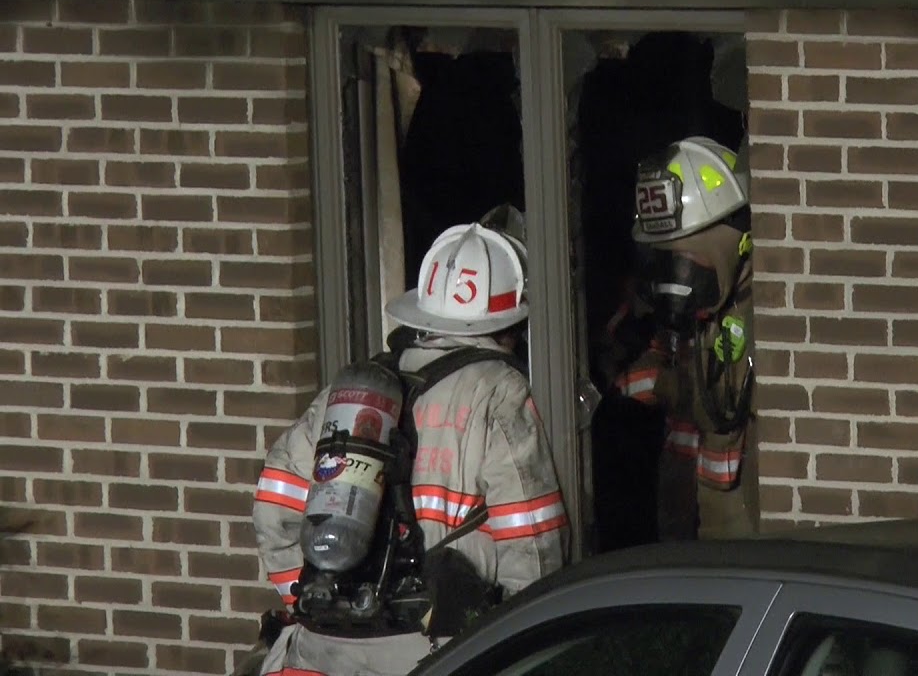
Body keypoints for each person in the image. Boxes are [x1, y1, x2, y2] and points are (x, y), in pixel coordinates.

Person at [251, 222, 569, 676]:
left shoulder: (355, 393)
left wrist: (316, 604)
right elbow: (534, 544)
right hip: (432, 652)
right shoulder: (499, 390)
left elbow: (272, 507)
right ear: (510, 327)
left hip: (320, 653)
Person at [603, 136, 757, 542]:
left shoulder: (766, 315)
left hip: (749, 531)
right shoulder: (698, 320)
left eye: (687, 263)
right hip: (697, 516)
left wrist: (675, 385)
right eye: (666, 262)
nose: (677, 283)